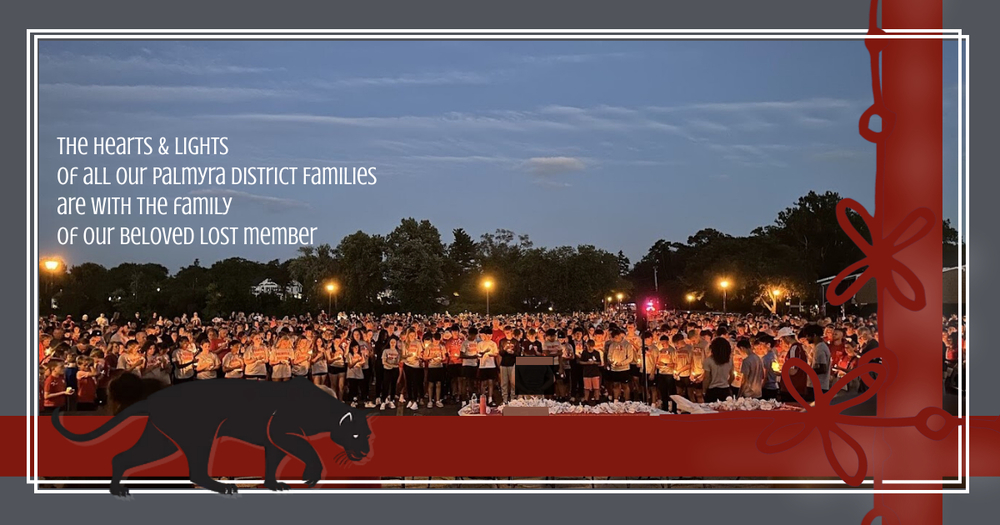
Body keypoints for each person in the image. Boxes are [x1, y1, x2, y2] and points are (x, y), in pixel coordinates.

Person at [702, 337, 735, 403]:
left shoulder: (708, 361)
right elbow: (732, 376)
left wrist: (704, 391)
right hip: (726, 390)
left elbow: (707, 378)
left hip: (712, 390)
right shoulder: (729, 360)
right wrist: (726, 383)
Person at [402, 329, 424, 411]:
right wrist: (407, 357)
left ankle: (415, 400)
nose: (412, 337)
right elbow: (403, 355)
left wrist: (417, 357)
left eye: (413, 335)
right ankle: (410, 399)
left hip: (415, 365)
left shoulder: (418, 343)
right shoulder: (405, 343)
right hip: (407, 365)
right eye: (410, 335)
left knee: (415, 383)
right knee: (408, 383)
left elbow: (420, 353)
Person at [424, 331, 446, 408]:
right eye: (435, 340)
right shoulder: (429, 347)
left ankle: (437, 400)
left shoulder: (442, 347)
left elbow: (444, 357)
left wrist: (442, 359)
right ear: (433, 339)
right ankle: (430, 400)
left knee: (438, 384)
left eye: (438, 341)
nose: (437, 342)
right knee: (431, 384)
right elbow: (425, 357)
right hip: (432, 366)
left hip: (439, 366)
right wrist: (432, 357)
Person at [497, 326, 519, 405]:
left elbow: (518, 353)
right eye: (506, 332)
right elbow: (501, 353)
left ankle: (513, 399)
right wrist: (505, 349)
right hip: (504, 364)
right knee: (504, 383)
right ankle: (505, 399)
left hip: (513, 364)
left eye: (509, 332)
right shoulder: (502, 341)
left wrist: (513, 353)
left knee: (513, 382)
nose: (507, 334)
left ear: (511, 332)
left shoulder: (515, 341)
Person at [478, 328, 499, 406]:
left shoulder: (493, 344)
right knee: (483, 383)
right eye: (488, 335)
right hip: (483, 365)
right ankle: (482, 399)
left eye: (491, 335)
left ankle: (490, 398)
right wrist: (484, 353)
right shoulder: (480, 344)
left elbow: (496, 353)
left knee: (491, 382)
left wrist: (490, 354)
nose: (490, 336)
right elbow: (478, 354)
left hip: (491, 365)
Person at [654, 335, 676, 412]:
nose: (663, 344)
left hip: (669, 373)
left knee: (671, 392)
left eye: (664, 342)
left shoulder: (672, 350)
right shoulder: (660, 351)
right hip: (661, 373)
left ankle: (674, 408)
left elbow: (674, 363)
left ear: (667, 341)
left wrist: (665, 364)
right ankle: (665, 407)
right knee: (663, 391)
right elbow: (657, 361)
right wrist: (658, 365)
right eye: (661, 343)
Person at [579, 339, 603, 404]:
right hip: (587, 373)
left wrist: (594, 362)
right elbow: (580, 362)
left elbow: (600, 362)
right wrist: (587, 363)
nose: (590, 347)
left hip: (595, 372)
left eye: (591, 346)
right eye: (589, 346)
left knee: (596, 387)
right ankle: (586, 399)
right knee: (586, 388)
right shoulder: (584, 353)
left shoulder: (596, 353)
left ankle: (597, 399)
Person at [757, 334, 781, 400]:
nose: (760, 346)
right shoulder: (773, 355)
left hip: (767, 387)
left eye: (761, 344)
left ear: (768, 345)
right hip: (774, 385)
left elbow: (765, 376)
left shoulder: (765, 358)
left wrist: (760, 388)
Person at [381, 336, 401, 410]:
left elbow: (398, 361)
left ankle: (392, 400)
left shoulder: (398, 351)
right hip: (387, 369)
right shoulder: (385, 351)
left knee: (393, 385)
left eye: (394, 342)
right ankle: (384, 400)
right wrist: (391, 365)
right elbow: (383, 361)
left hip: (395, 370)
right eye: (391, 342)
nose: (393, 344)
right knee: (386, 385)